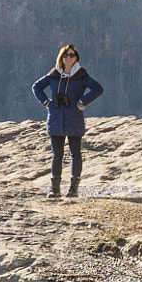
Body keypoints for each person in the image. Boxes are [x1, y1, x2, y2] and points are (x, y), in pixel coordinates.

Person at [32, 43, 104, 199]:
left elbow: (98, 89)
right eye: (65, 55)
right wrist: (46, 103)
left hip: (73, 118)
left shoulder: (81, 75)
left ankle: (73, 189)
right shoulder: (53, 75)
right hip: (56, 118)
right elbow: (36, 87)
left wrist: (82, 103)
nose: (68, 58)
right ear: (61, 57)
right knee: (56, 155)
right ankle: (54, 189)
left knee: (75, 154)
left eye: (71, 55)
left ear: (76, 58)